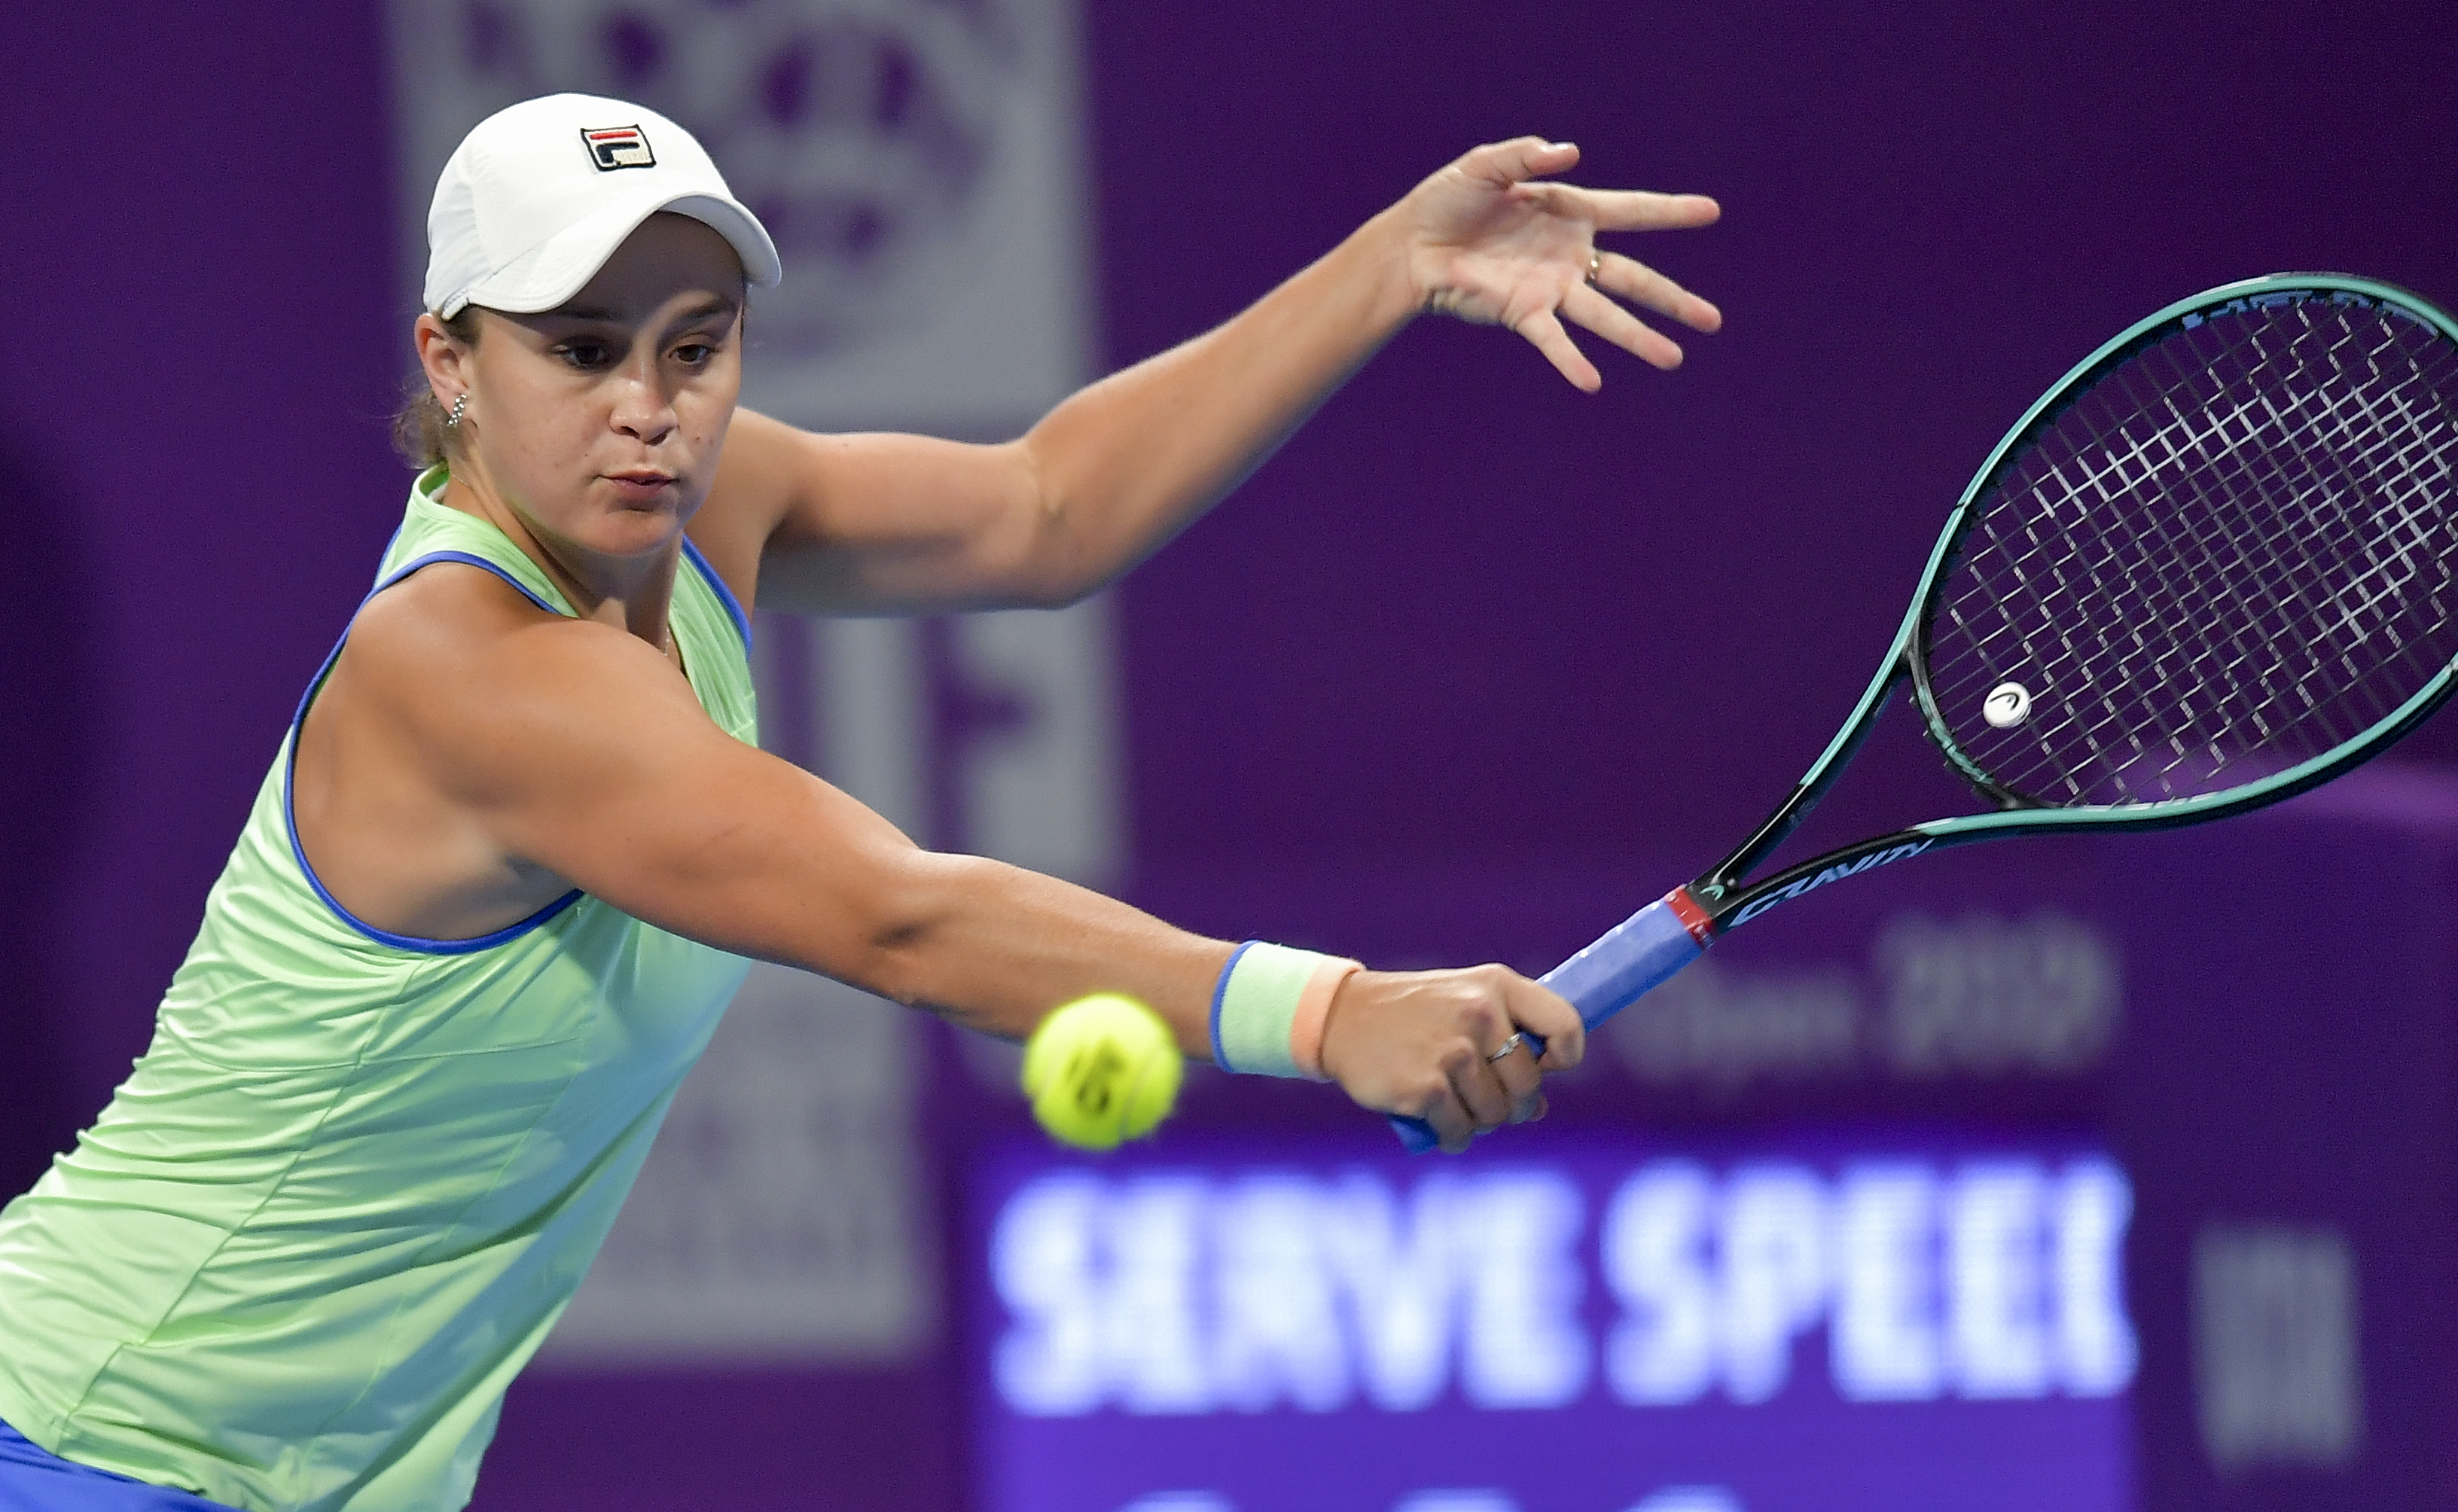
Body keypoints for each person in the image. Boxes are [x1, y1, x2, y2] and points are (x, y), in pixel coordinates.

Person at [0, 93, 1720, 1511]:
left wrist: (1393, 264)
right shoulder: (474, 669)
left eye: (695, 345)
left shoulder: (702, 501)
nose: (649, 410)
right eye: (580, 348)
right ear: (450, 362)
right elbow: (901, 914)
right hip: (94, 1434)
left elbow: (1047, 510)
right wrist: (1330, 1008)